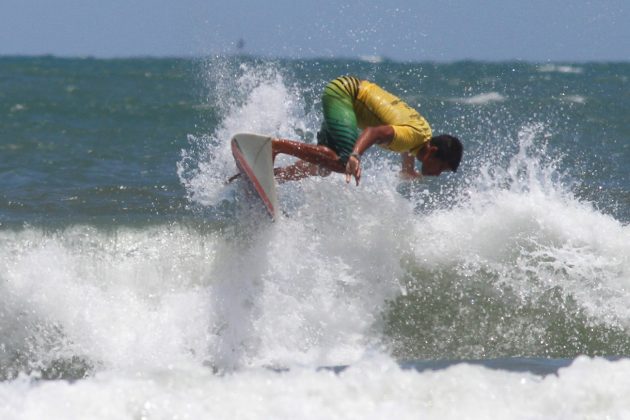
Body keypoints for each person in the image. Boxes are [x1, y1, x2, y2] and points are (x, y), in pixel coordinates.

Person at [271, 75, 462, 185]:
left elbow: (407, 144)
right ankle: (275, 146)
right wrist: (355, 156)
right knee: (341, 163)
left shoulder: (422, 136)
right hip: (345, 94)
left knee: (323, 167)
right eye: (441, 168)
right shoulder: (411, 138)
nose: (437, 174)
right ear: (433, 152)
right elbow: (374, 132)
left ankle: (275, 176)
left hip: (347, 95)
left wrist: (408, 169)